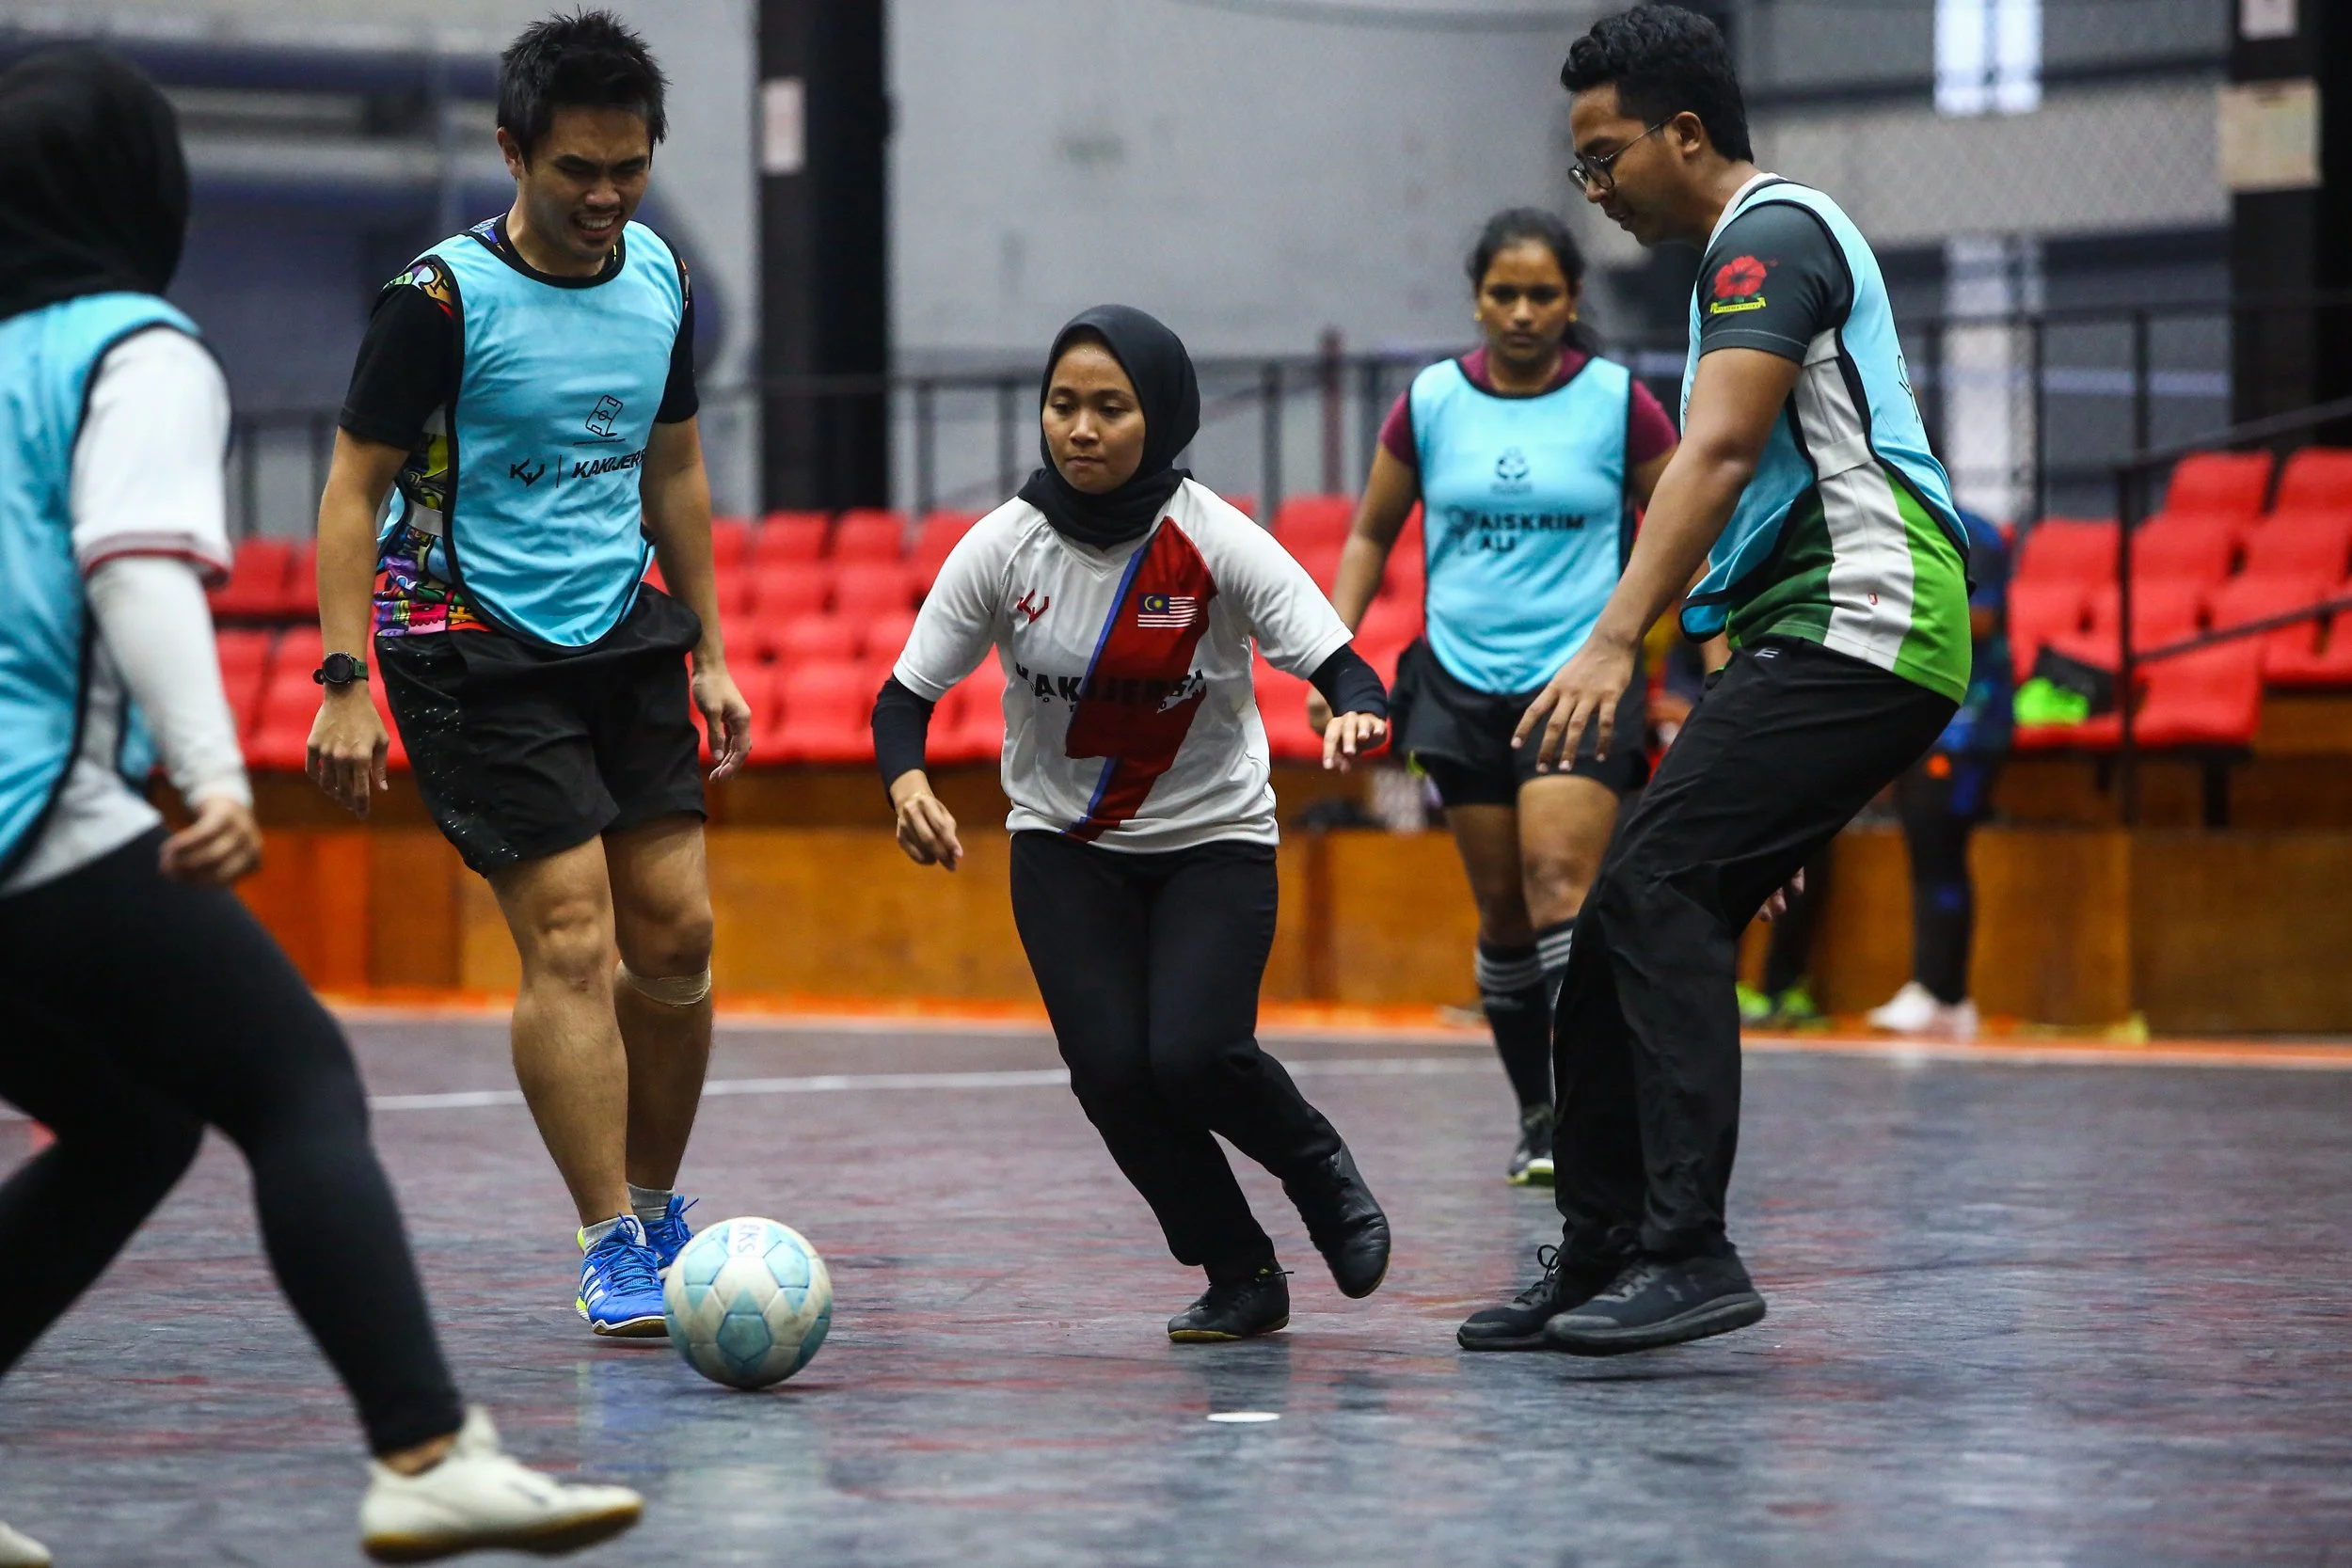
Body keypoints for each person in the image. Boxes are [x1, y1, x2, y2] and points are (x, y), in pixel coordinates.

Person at [0, 47, 641, 1564]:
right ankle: (426, 1450)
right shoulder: (135, 350)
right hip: (33, 813)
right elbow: (134, 566)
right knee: (297, 1084)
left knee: (134, 1123)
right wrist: (213, 769)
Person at [1457, 4, 1969, 1356]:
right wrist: (1751, 782)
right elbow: (1756, 512)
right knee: (1623, 916)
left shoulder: (1768, 239)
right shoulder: (1734, 263)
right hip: (1807, 625)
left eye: (1604, 156)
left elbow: (1724, 454)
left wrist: (1614, 636)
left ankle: (1687, 1250)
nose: (1594, 186)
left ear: (1684, 133)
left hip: (1871, 615)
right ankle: (1602, 1242)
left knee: (1655, 888)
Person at [308, 12, 752, 1339]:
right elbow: (351, 491)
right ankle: (608, 1238)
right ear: (513, 153)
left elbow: (675, 465)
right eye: (577, 171)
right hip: (464, 636)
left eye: (630, 168)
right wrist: (342, 677)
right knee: (569, 930)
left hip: (621, 625)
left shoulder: (659, 274)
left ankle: (657, 1207)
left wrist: (713, 647)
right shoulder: (438, 302)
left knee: (677, 930)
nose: (606, 196)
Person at [871, 306, 1394, 1343]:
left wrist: (1359, 711)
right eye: (1062, 404)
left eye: (1110, 407)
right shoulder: (1002, 545)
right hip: (1064, 847)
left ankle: (1319, 1172)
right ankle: (1239, 1269)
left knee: (1195, 1054)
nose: (1081, 427)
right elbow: (902, 700)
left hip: (1213, 838)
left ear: (1161, 416)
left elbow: (1344, 666)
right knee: (1112, 1073)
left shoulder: (1215, 537)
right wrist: (906, 784)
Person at [1307, 208, 1677, 1185]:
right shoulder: (1430, 402)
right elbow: (1368, 534)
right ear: (1476, 298)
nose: (1521, 312)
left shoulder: (1619, 403)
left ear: (1572, 299)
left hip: (1578, 685)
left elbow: (1688, 520)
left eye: (1542, 294)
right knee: (1505, 909)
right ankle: (1539, 1115)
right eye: (1502, 293)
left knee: (1560, 884)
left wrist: (1711, 655)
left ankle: (1597, 1107)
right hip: (1458, 685)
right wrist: (1329, 658)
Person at [1867, 507, 2011, 1037]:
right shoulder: (1893, 527)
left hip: (1968, 725)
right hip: (1918, 715)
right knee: (1926, 852)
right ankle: (1942, 994)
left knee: (1941, 850)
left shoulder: (1976, 534)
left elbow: (1981, 618)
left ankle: (1941, 991)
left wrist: (1895, 609)